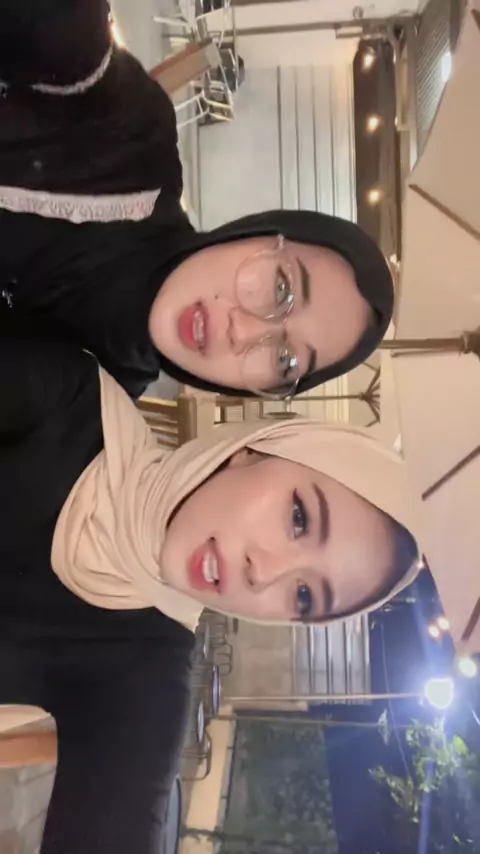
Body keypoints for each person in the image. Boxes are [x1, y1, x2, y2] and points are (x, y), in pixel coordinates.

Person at [1, 329, 422, 852]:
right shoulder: (70, 403)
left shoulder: (146, 678)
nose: (264, 573)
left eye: (305, 598)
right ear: (252, 449)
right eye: (298, 518)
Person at [0, 1, 394, 399]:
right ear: (261, 230)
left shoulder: (101, 410)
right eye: (280, 287)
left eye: (284, 361)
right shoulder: (130, 136)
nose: (242, 332)